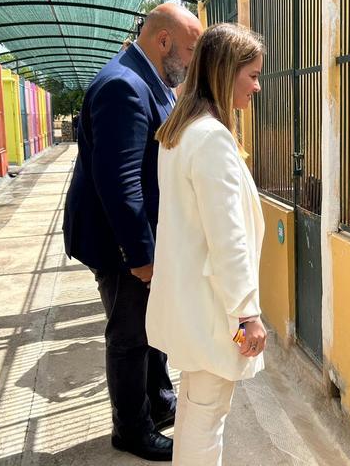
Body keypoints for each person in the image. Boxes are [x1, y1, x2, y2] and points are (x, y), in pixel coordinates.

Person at [61, 3, 203, 462]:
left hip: (141, 235)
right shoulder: (124, 85)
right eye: (188, 49)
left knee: (151, 327)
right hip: (120, 243)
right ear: (162, 41)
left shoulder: (148, 80)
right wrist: (140, 255)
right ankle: (131, 428)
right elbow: (119, 182)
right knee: (129, 336)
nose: (191, 61)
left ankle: (158, 402)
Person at [146, 23, 266, 466]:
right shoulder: (211, 137)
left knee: (198, 410)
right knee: (207, 414)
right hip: (216, 309)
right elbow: (227, 238)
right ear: (224, 71)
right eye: (251, 74)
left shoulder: (181, 131)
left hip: (192, 303)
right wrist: (247, 315)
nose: (257, 85)